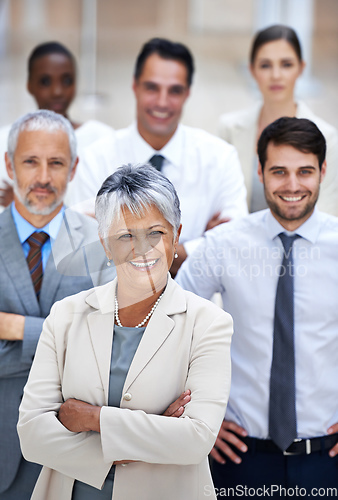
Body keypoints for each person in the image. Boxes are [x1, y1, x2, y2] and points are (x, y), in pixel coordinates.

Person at [17, 164, 233, 500]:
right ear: (105, 244)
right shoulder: (65, 316)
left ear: (176, 236)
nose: (141, 249)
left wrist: (92, 418)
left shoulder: (208, 323)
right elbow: (32, 435)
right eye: (125, 235)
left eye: (155, 233)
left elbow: (195, 439)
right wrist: (143, 441)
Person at [176, 117, 338, 494]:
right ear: (261, 172)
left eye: (305, 172)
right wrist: (195, 417)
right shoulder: (222, 245)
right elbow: (169, 327)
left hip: (327, 460)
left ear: (323, 172)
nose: (293, 185)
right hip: (239, 458)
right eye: (279, 171)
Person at [0, 110, 115, 500]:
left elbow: (111, 350)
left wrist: (17, 329)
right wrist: (66, 339)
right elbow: (82, 345)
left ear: (74, 167)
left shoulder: (102, 244)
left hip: (79, 459)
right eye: (31, 161)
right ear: (9, 165)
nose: (44, 178)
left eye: (56, 163)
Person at [70, 37, 248, 274]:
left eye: (174, 91)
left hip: (193, 304)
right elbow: (87, 251)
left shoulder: (220, 158)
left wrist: (123, 243)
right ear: (135, 86)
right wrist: (196, 248)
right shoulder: (96, 159)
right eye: (152, 88)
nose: (162, 102)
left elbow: (233, 242)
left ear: (187, 94)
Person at [219, 24, 338, 216]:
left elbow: (328, 215)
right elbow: (220, 205)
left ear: (301, 68)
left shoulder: (327, 136)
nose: (276, 75)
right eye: (265, 65)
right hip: (241, 243)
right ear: (252, 70)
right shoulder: (230, 128)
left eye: (286, 64)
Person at [0, 41, 113, 208]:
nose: (57, 91)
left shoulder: (102, 138)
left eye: (67, 81)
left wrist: (23, 206)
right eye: (45, 82)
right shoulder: (6, 139)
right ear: (30, 85)